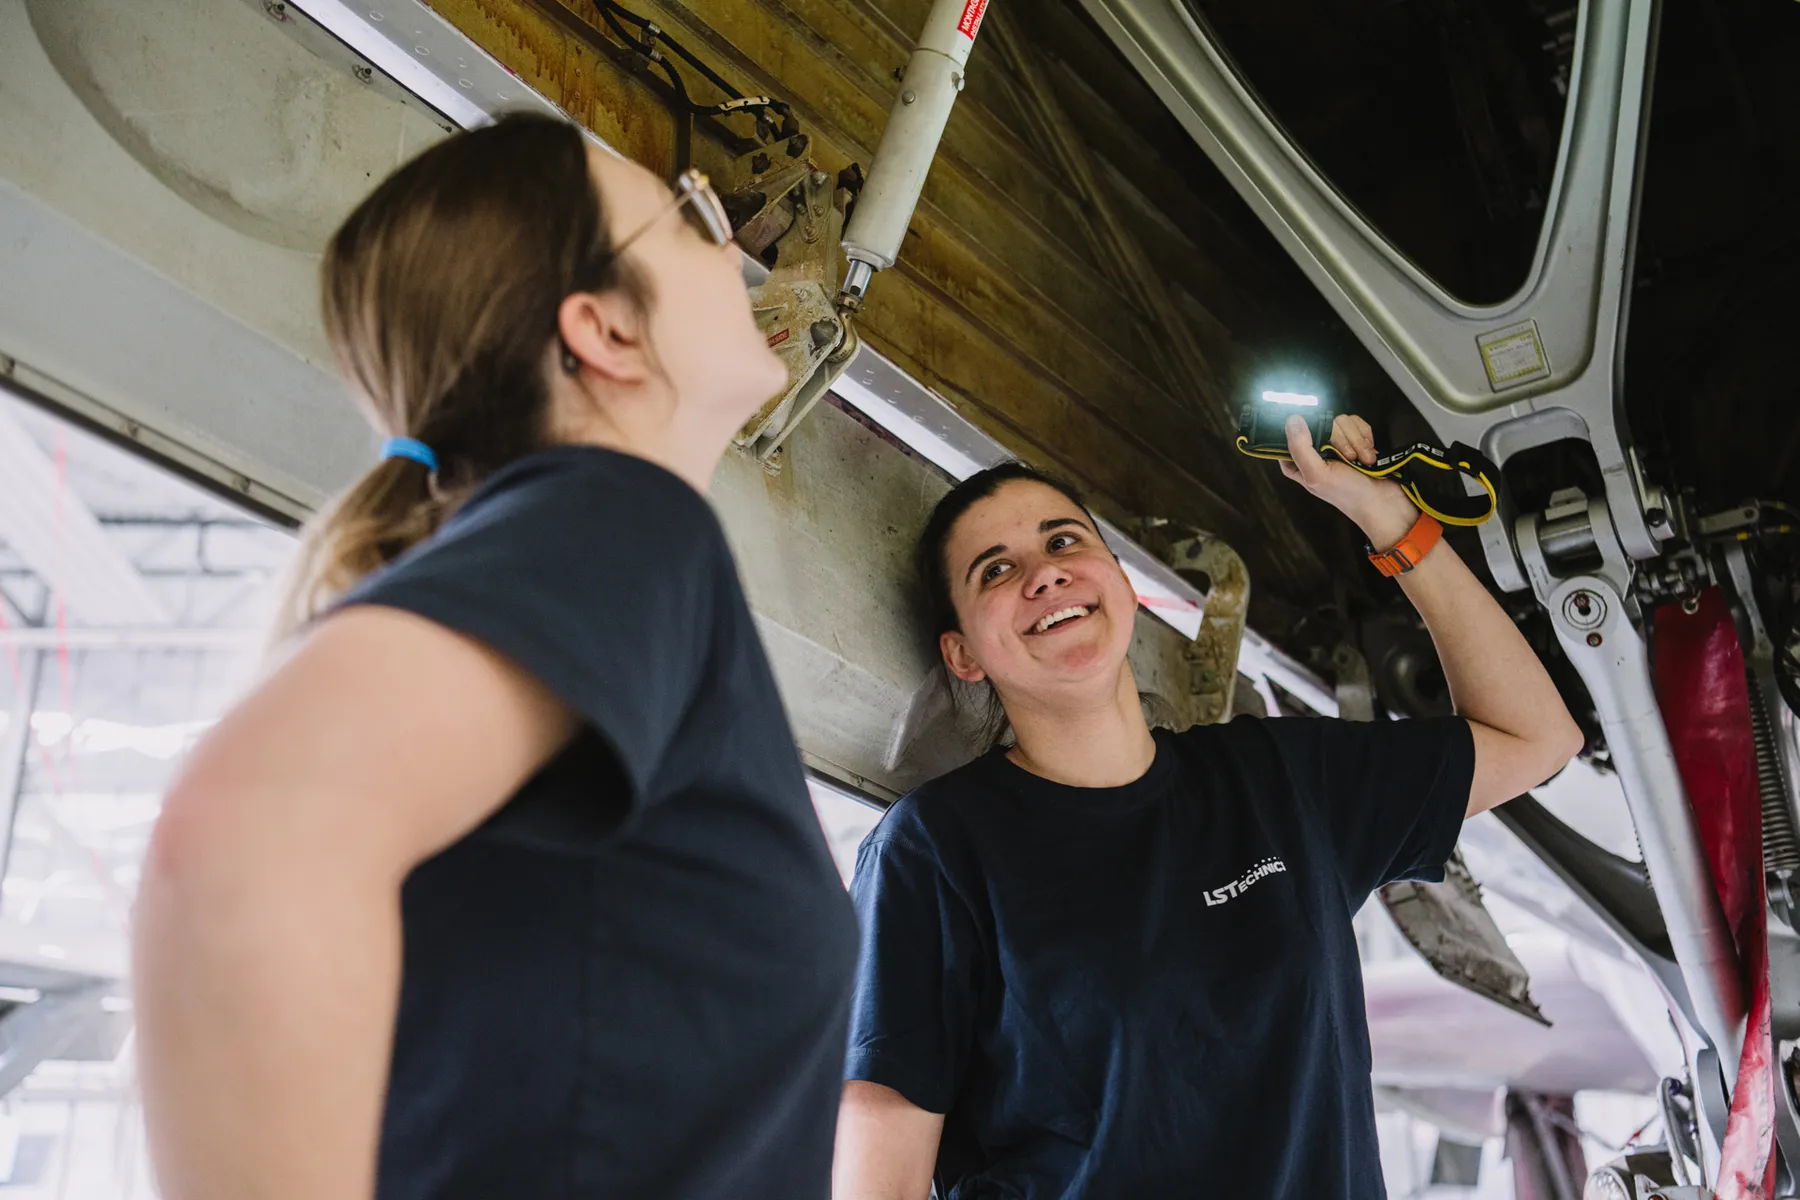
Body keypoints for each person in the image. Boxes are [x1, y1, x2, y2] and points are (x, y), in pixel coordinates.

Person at [133, 113, 858, 1200]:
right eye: (691, 217)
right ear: (605, 332)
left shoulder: (604, 559)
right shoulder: (624, 519)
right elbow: (243, 833)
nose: (731, 250)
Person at [832, 413, 1585, 1199]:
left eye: (1063, 541)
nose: (1045, 575)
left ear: (1123, 585)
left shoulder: (1277, 780)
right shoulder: (935, 851)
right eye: (995, 570)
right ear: (962, 654)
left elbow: (1534, 736)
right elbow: (877, 1179)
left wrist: (1386, 515)